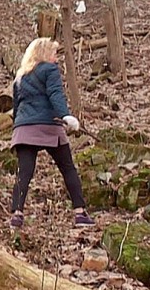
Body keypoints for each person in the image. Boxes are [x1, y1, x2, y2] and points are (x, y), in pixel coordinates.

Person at [8, 38, 95, 228]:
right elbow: (55, 94)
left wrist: (17, 126)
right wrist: (65, 116)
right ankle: (80, 213)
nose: (56, 58)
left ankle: (16, 214)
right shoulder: (50, 69)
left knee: (24, 173)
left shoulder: (21, 75)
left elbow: (16, 105)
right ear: (45, 54)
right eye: (54, 53)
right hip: (48, 125)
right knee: (68, 168)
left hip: (24, 128)